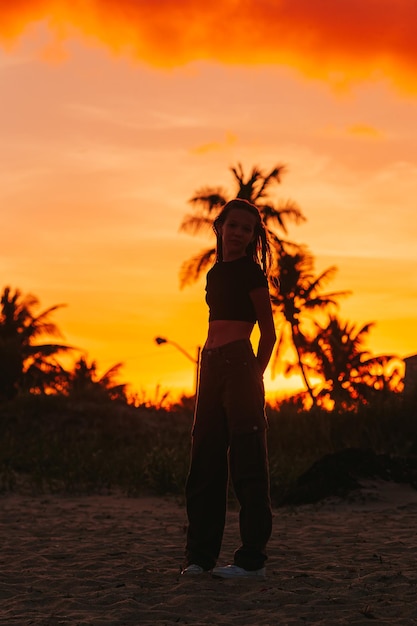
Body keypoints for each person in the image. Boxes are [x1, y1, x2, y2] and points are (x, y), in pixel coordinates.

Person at [182, 198, 277, 579]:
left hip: (240, 363)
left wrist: (253, 375)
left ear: (253, 237)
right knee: (204, 460)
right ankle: (199, 558)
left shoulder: (252, 274)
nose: (238, 232)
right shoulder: (214, 273)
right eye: (233, 225)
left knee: (247, 461)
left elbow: (268, 334)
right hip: (210, 365)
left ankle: (251, 561)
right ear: (219, 226)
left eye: (247, 229)